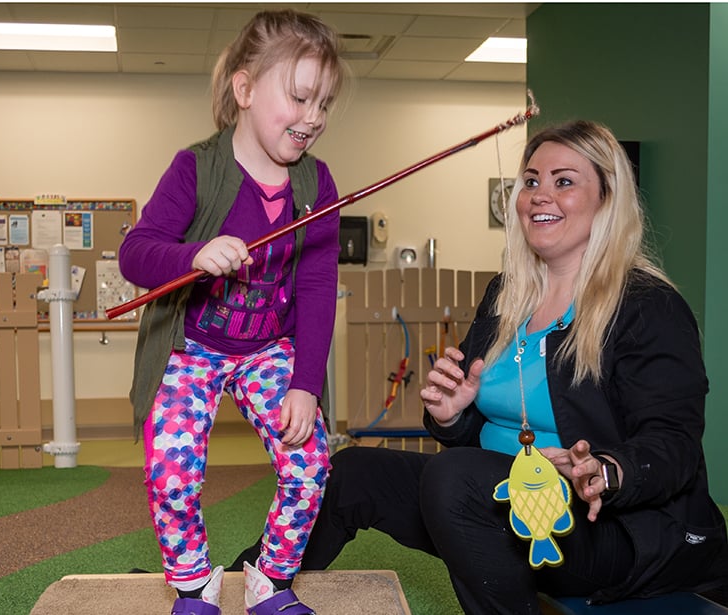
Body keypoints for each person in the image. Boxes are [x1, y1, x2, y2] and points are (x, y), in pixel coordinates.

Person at [231, 120, 728, 613]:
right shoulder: (507, 295)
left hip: (610, 528)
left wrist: (607, 469)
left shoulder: (647, 306)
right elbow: (472, 430)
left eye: (564, 181)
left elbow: (673, 446)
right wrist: (453, 416)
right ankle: (238, 588)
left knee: (457, 477)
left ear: (607, 199)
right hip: (500, 502)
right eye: (531, 180)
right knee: (352, 471)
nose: (539, 195)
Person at [118, 9, 347, 615]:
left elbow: (319, 287)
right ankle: (195, 587)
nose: (313, 117)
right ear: (244, 90)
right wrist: (194, 254)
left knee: (310, 465)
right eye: (299, 97)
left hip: (268, 349)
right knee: (172, 471)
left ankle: (270, 580)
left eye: (324, 103)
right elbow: (135, 253)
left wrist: (305, 386)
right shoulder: (195, 167)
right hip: (191, 347)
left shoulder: (317, 185)